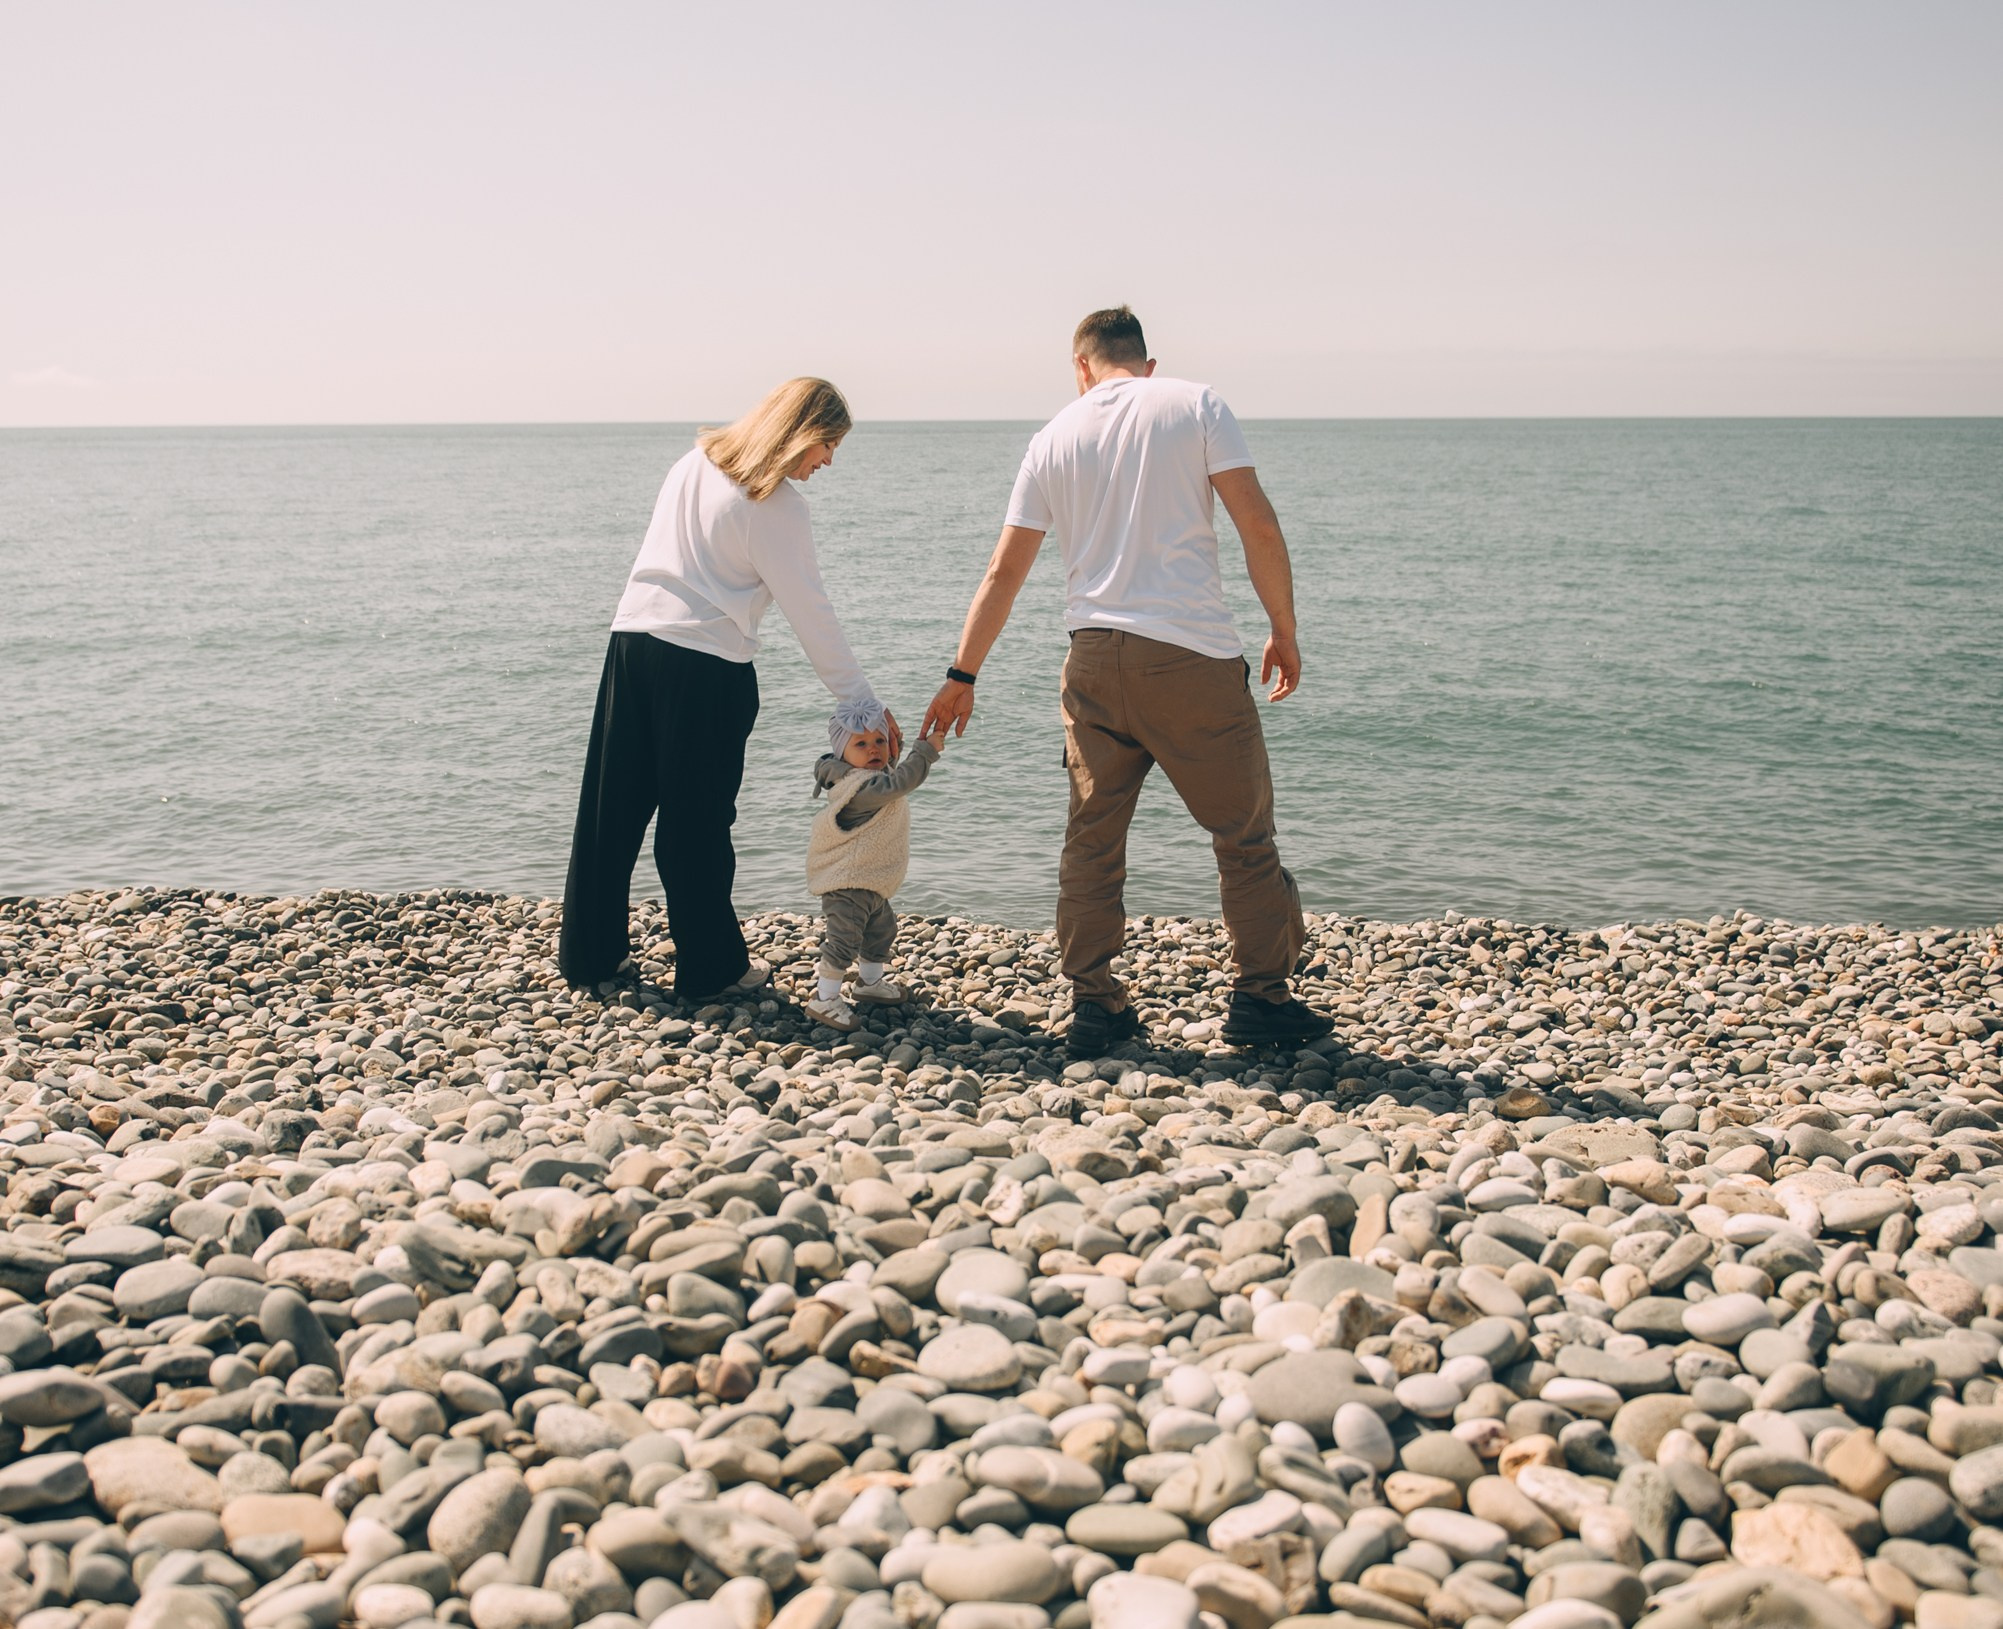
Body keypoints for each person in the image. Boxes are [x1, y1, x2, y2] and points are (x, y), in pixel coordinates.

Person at [921, 306, 1330, 1056]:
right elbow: (1256, 523)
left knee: (1092, 837)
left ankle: (1095, 1004)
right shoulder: (1194, 402)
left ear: (1080, 366)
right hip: (1188, 657)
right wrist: (1283, 627)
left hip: (1091, 658)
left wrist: (962, 673)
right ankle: (1260, 998)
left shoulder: (1053, 436)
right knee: (1242, 837)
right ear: (1144, 361)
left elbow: (1004, 570)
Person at [559, 377, 897, 1001]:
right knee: (698, 825)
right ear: (797, 432)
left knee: (611, 812)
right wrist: (863, 703)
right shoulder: (778, 506)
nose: (828, 462)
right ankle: (711, 969)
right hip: (706, 668)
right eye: (826, 445)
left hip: (632, 643)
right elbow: (811, 612)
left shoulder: (691, 464)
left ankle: (589, 956)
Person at [804, 698, 946, 1031]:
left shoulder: (870, 776)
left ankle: (869, 984)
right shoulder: (862, 789)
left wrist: (896, 748)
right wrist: (925, 751)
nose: (874, 750)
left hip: (869, 883)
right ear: (843, 754)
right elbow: (900, 783)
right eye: (862, 744)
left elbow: (890, 770)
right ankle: (824, 999)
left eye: (880, 741)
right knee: (843, 942)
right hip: (847, 884)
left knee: (881, 932)